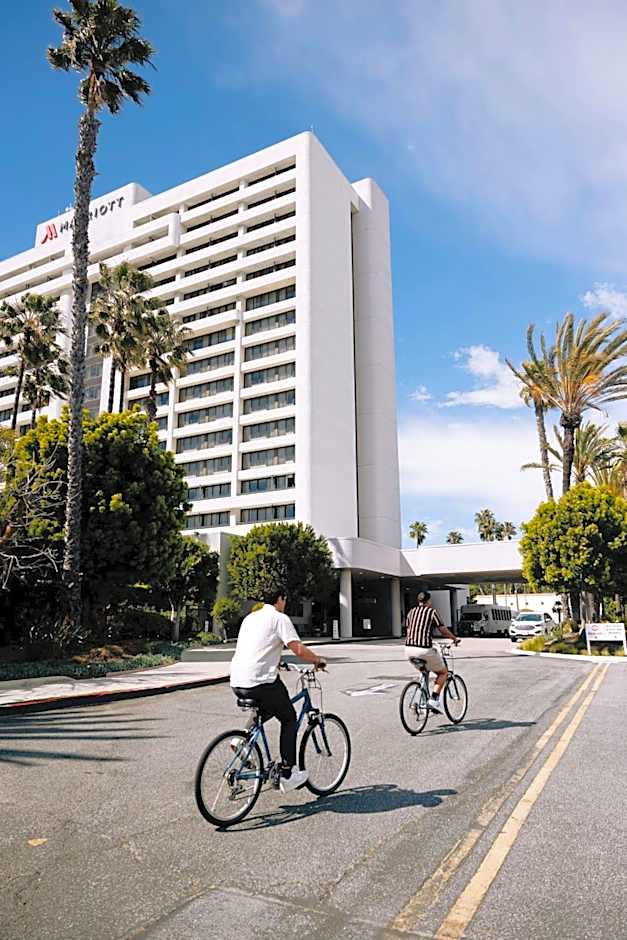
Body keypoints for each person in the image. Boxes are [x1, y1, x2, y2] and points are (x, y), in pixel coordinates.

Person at [229, 587, 327, 793]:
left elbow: (257, 648)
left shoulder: (250, 618)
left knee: (271, 706)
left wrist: (278, 661)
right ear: (280, 599)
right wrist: (317, 660)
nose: (285, 603)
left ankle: (242, 740)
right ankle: (287, 774)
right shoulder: (279, 618)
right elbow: (298, 649)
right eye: (285, 599)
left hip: (237, 680)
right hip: (260, 680)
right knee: (289, 718)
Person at [404, 591, 460, 714]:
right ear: (429, 601)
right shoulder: (431, 612)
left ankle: (419, 701)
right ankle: (433, 700)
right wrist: (454, 639)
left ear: (418, 601)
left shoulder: (411, 612)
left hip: (408, 649)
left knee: (424, 671)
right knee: (443, 673)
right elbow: (443, 630)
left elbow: (409, 630)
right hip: (423, 649)